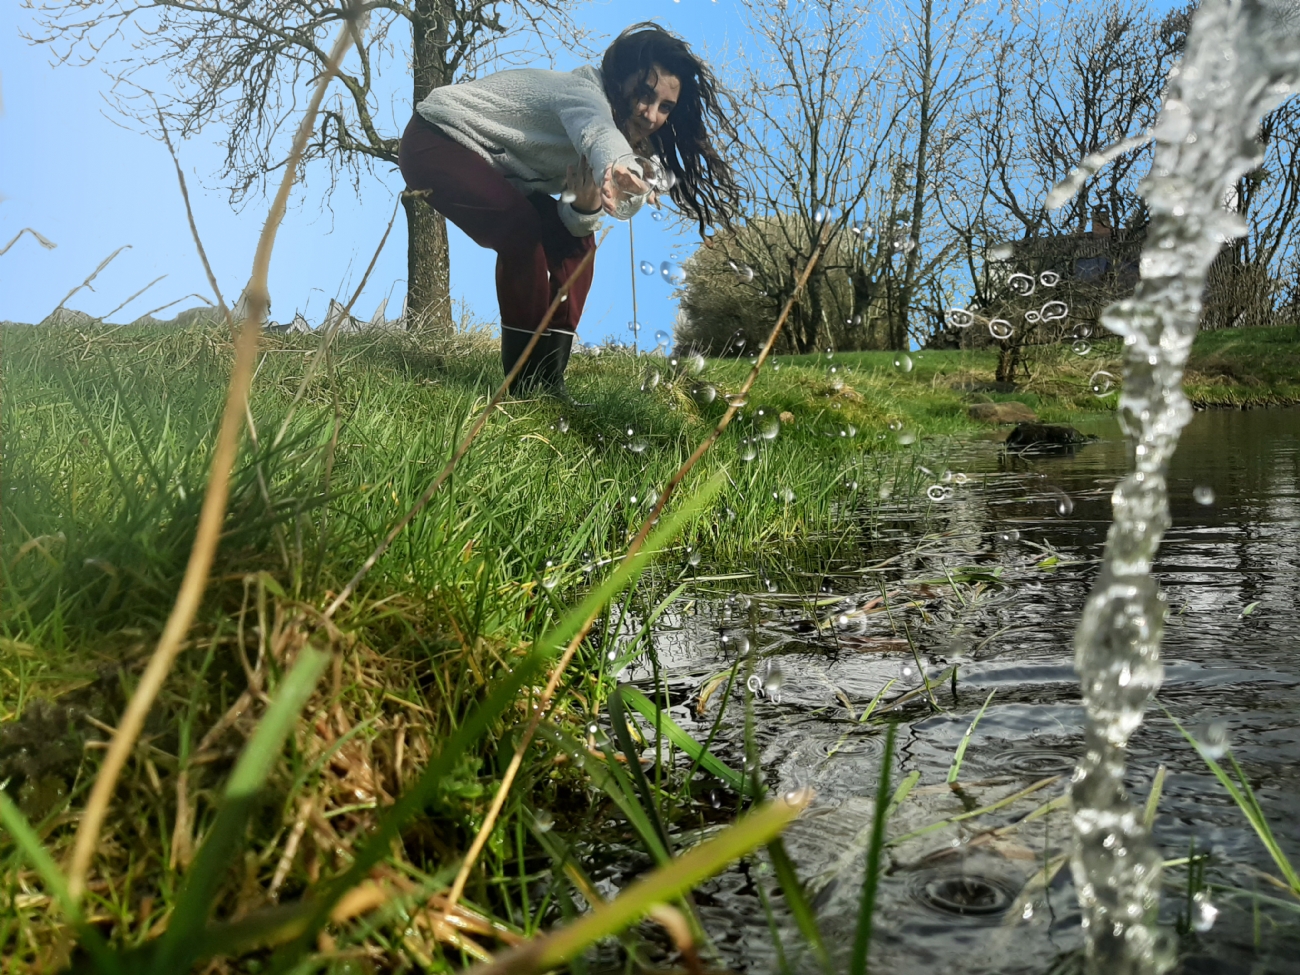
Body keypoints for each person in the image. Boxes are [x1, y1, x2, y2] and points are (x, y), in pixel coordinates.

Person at [398, 22, 741, 404]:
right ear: (620, 78)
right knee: (520, 231)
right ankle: (524, 386)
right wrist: (616, 164)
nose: (650, 114)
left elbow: (608, 208)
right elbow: (597, 133)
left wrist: (588, 202)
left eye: (665, 108)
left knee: (578, 244)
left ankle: (549, 383)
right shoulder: (585, 92)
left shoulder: (635, 149)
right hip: (436, 138)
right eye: (644, 94)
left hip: (502, 171)